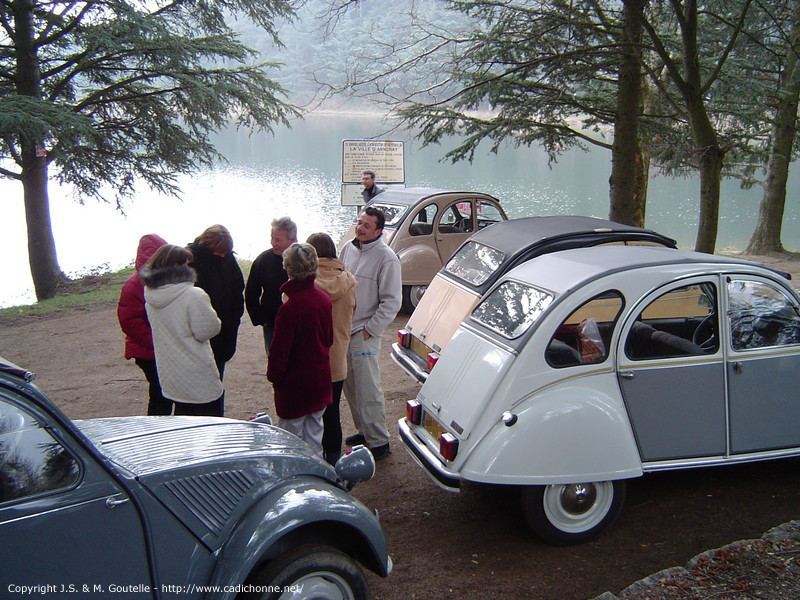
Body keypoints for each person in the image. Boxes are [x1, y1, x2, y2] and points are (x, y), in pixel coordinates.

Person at [339, 206, 402, 460]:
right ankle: (363, 432)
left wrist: (370, 329)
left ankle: (379, 441)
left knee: (368, 388)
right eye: (359, 222)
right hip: (344, 329)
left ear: (378, 230)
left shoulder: (387, 258)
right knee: (350, 387)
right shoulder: (347, 248)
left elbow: (392, 302)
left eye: (366, 225)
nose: (360, 228)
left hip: (364, 332)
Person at [140, 244, 224, 417]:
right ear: (177, 267)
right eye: (186, 264)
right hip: (196, 370)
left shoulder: (150, 296)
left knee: (185, 425)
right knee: (210, 427)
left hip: (170, 371)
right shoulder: (194, 295)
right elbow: (207, 331)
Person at [267, 243, 333, 456]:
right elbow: (329, 339)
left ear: (288, 268)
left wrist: (274, 376)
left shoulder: (290, 308)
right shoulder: (323, 300)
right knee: (315, 437)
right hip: (319, 380)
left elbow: (279, 354)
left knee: (290, 444)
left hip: (295, 386)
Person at [307, 232, 358, 465]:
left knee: (308, 415)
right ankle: (335, 461)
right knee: (332, 411)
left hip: (311, 357)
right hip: (337, 357)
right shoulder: (349, 281)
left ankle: (312, 460)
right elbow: (352, 312)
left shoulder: (306, 283)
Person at [117, 233, 172, 415]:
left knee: (167, 392)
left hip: (162, 348)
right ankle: (156, 431)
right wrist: (156, 341)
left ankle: (166, 427)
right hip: (148, 351)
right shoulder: (135, 284)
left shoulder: (164, 278)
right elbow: (130, 321)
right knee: (160, 393)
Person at [187, 225, 244, 384]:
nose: (222, 255)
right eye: (219, 252)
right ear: (208, 246)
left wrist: (235, 317)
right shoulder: (191, 261)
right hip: (201, 332)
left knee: (217, 379)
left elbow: (238, 287)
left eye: (225, 253)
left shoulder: (227, 258)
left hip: (226, 327)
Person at [245, 217, 297, 354]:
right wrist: (260, 318)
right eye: (272, 238)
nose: (273, 243)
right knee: (275, 360)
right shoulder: (263, 260)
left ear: (292, 239)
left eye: (278, 240)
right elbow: (251, 291)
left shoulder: (304, 258)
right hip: (272, 322)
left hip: (300, 323)